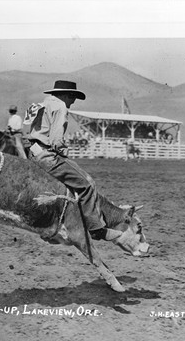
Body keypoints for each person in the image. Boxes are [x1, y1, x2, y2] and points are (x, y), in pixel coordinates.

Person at [28, 80, 122, 242]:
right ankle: (96, 228)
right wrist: (64, 151)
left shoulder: (41, 104)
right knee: (87, 183)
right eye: (73, 97)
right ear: (65, 95)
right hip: (47, 156)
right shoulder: (60, 107)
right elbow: (56, 140)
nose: (73, 101)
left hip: (33, 152)